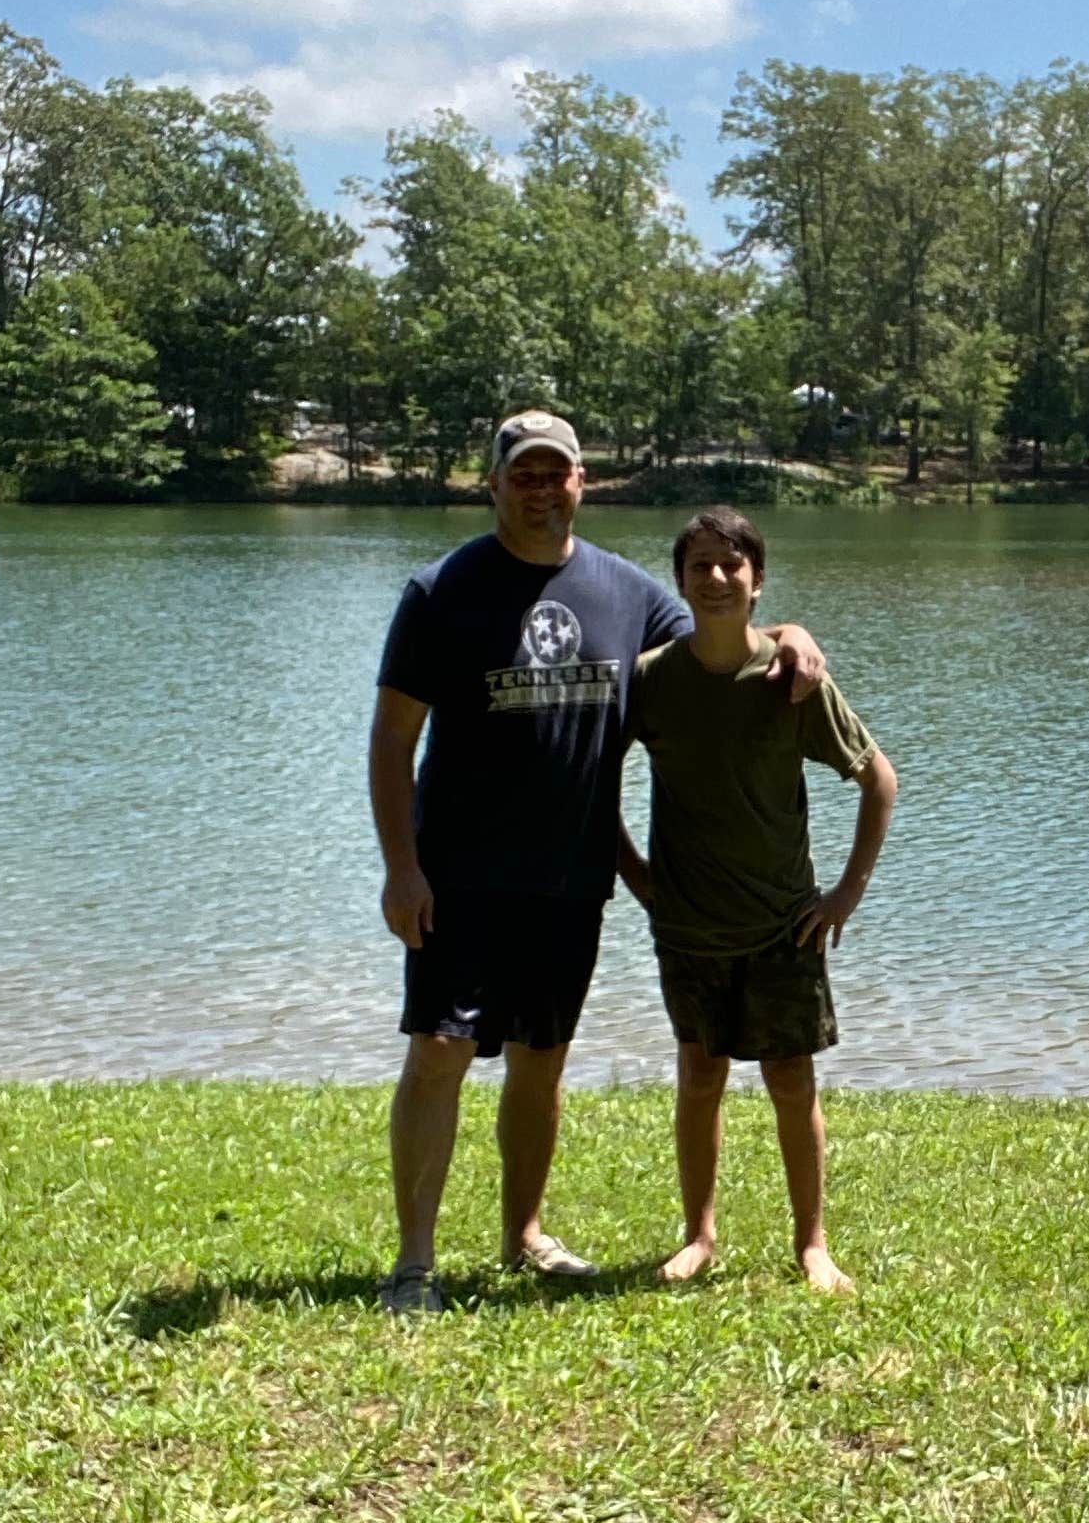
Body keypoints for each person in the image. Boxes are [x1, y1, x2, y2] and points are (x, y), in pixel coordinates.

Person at [368, 417, 823, 1315]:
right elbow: (392, 740)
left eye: (557, 473)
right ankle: (414, 1262)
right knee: (441, 1050)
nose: (541, 488)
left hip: (571, 880)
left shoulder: (625, 592)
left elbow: (717, 631)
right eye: (522, 474)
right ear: (493, 484)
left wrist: (793, 632)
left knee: (542, 1059)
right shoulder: (441, 591)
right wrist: (401, 869)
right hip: (458, 874)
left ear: (583, 482)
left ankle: (523, 1235)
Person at [621, 507, 897, 1296]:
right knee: (699, 1077)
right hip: (688, 926)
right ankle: (698, 1236)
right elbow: (590, 779)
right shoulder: (650, 679)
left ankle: (812, 1245)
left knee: (791, 1081)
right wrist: (641, 877)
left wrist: (846, 893)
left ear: (757, 580)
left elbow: (879, 780)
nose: (715, 578)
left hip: (784, 925)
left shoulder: (791, 679)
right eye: (699, 566)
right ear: (679, 581)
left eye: (731, 565)